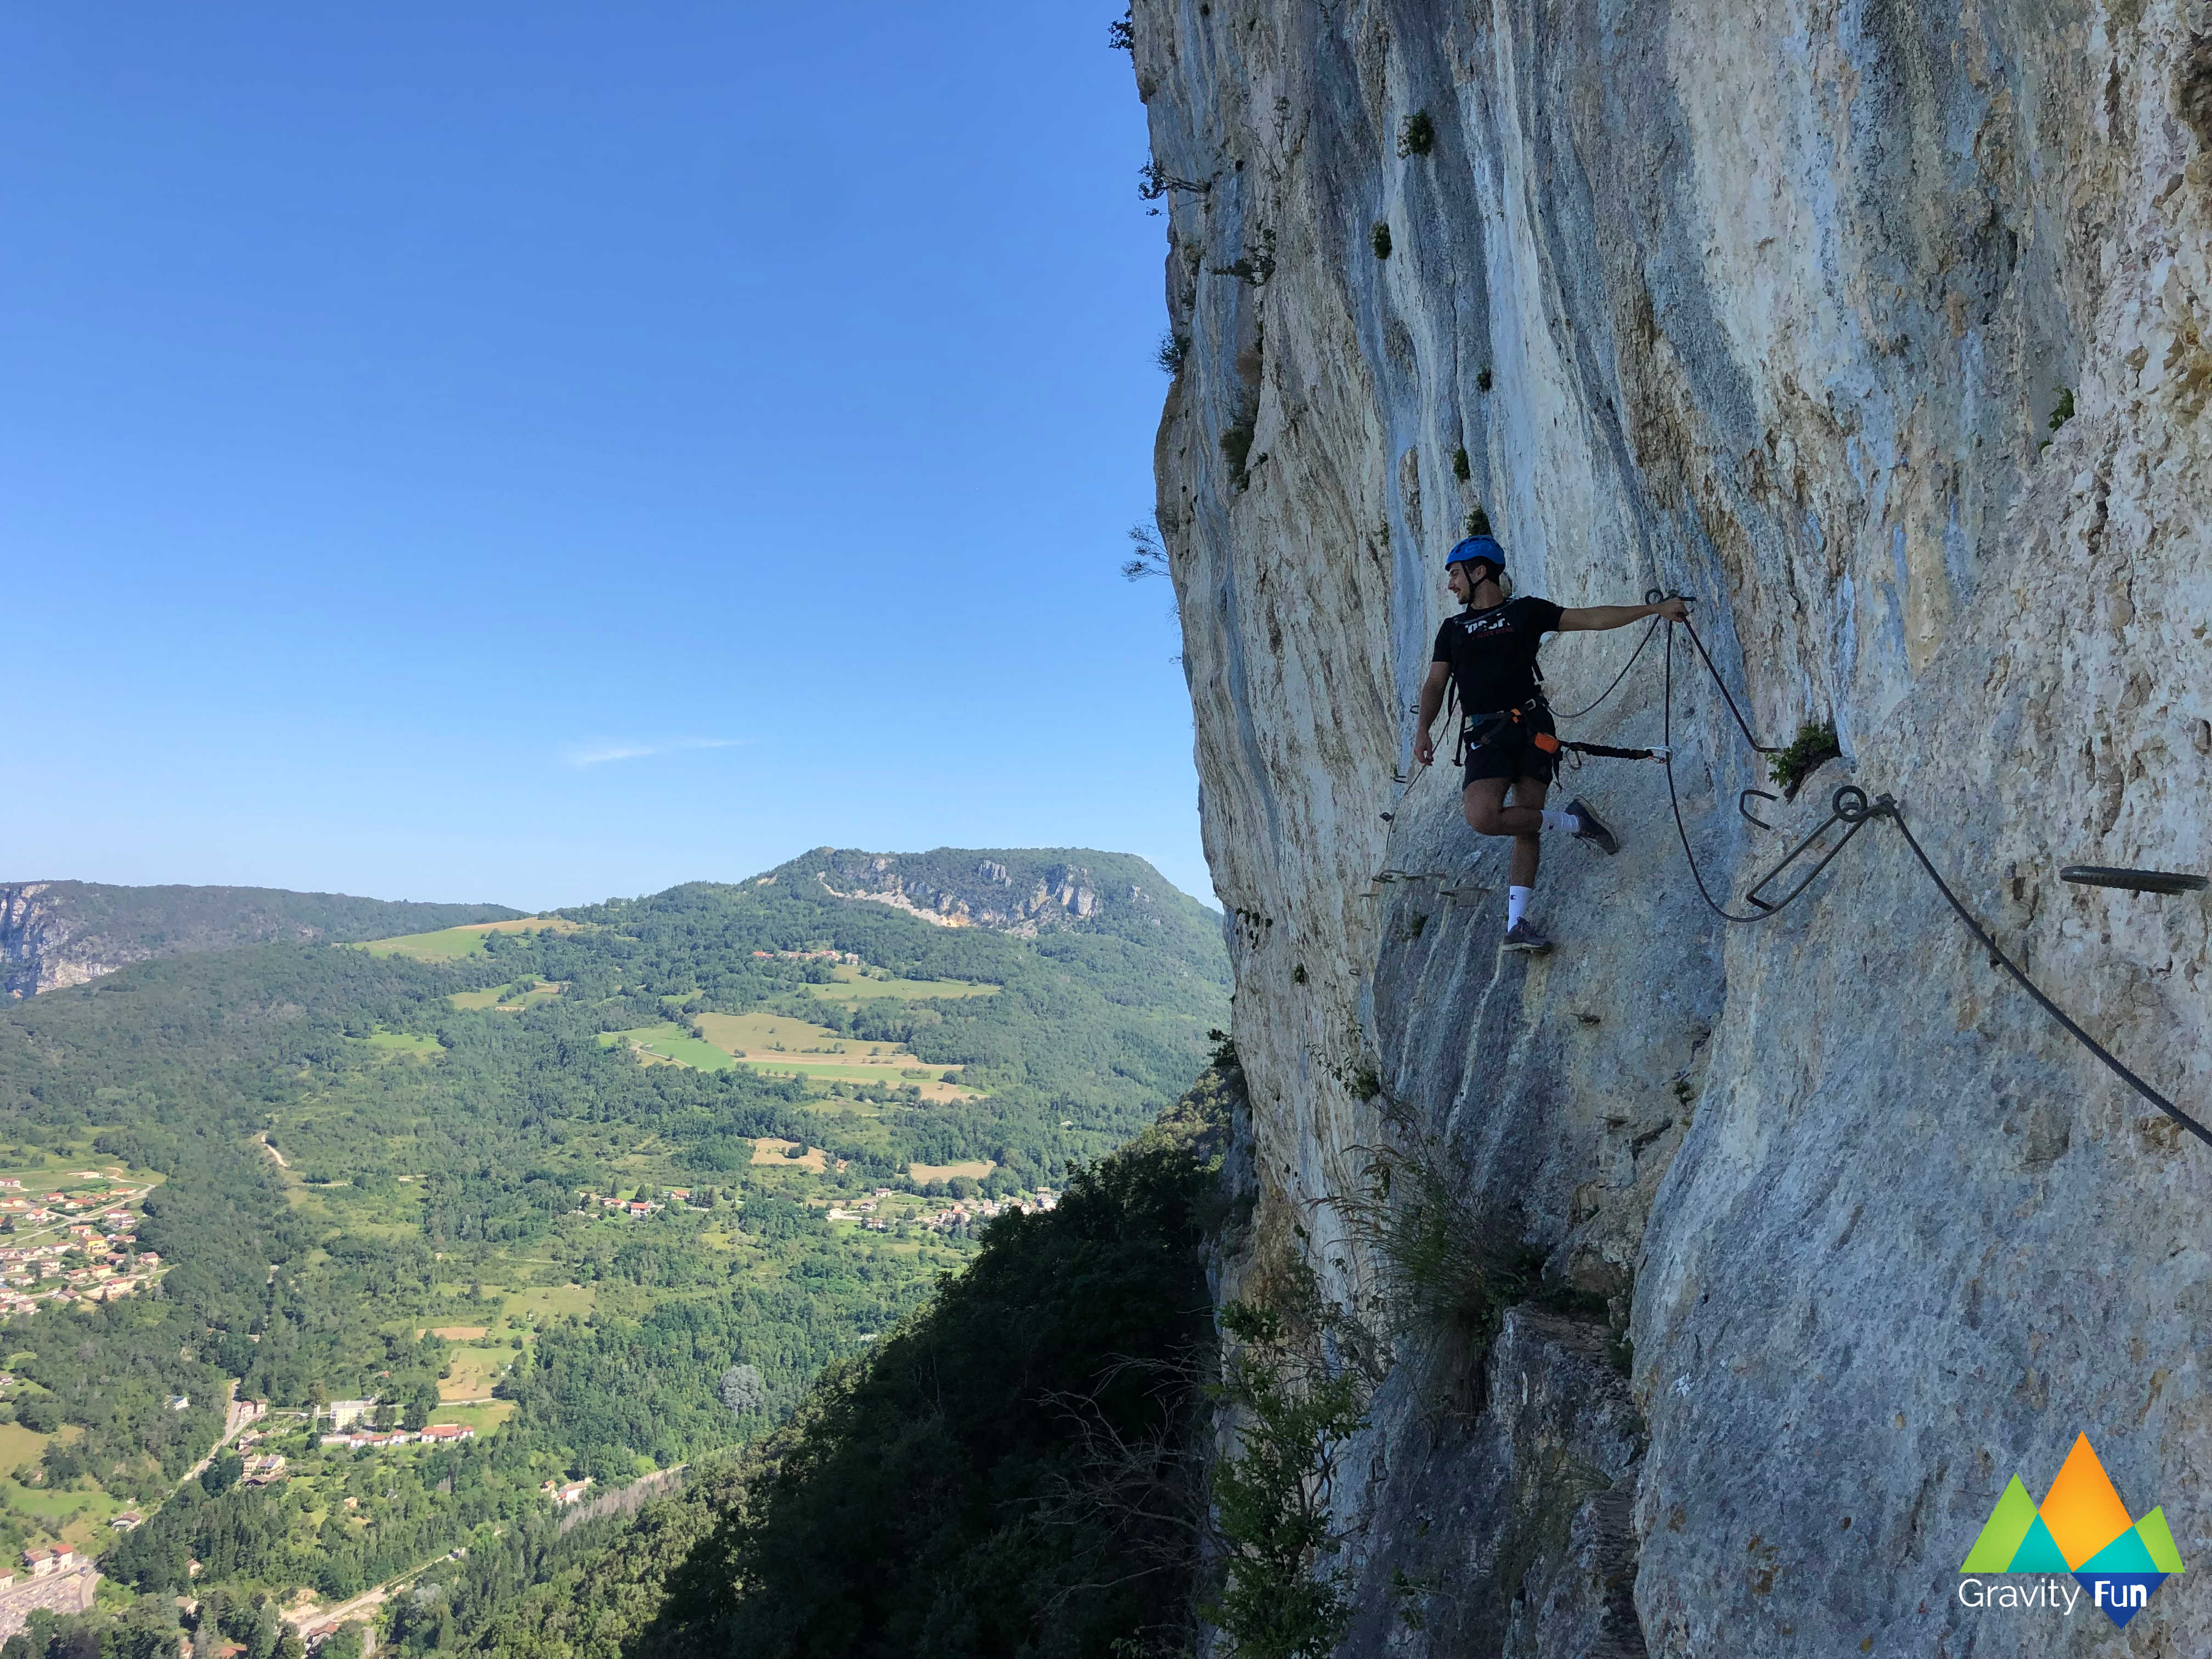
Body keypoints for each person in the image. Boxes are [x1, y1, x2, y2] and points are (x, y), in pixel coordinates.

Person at [1413, 531, 1689, 952]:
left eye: (1455, 574)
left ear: (1479, 570)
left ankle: (1517, 924)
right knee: (1483, 817)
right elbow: (1435, 683)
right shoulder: (1452, 629)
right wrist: (1423, 729)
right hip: (1487, 734)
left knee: (1528, 820)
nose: (1451, 584)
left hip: (1531, 727)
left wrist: (1653, 609)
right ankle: (1577, 823)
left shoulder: (1526, 612)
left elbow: (1591, 618)